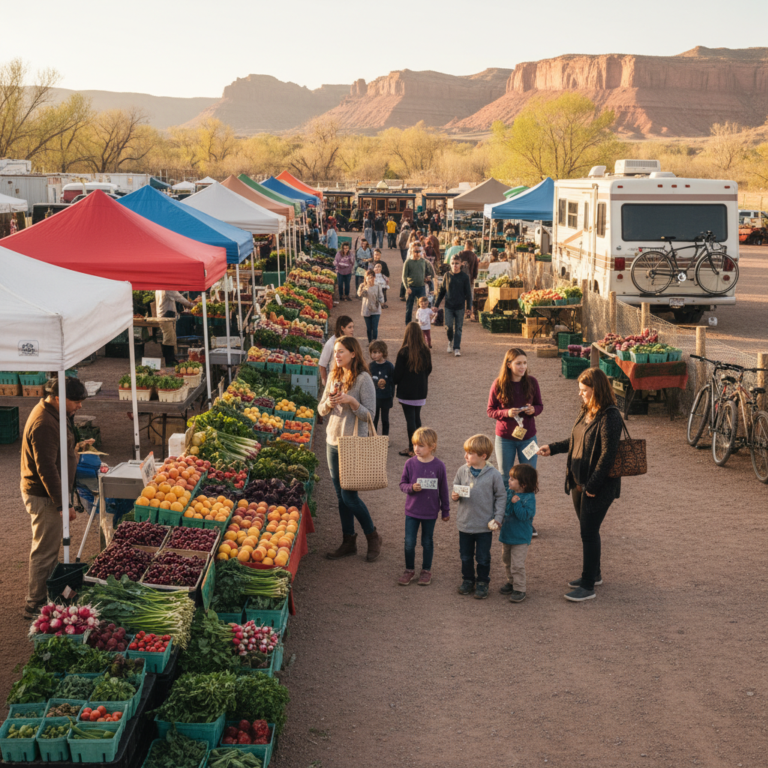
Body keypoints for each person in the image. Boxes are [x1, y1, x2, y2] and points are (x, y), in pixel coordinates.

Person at [538, 368, 623, 602]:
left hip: (595, 486)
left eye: (584, 391)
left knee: (588, 532)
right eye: (580, 390)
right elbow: (576, 439)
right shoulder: (587, 410)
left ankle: (588, 585)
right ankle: (594, 574)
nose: (580, 395)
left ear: (597, 390)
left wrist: (592, 487)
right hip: (578, 481)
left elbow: (608, 456)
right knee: (588, 530)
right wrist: (553, 448)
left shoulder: (610, 416)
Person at [20, 377, 92, 619]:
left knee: (49, 547)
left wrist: (75, 449)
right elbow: (46, 468)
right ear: (59, 398)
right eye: (77, 401)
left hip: (48, 493)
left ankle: (47, 596)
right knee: (45, 549)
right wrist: (63, 504)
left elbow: (55, 453)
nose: (80, 406)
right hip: (43, 496)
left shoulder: (54, 413)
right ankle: (35, 604)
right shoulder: (44, 423)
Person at [318, 335, 383, 562]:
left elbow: (370, 416)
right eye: (335, 352)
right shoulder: (334, 375)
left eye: (341, 352)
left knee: (349, 496)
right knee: (340, 496)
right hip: (332, 441)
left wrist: (352, 402)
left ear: (353, 354)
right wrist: (330, 402)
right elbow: (321, 409)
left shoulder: (363, 379)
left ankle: (372, 536)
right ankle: (348, 541)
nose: (336, 355)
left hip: (353, 441)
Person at [450, 434, 506, 600]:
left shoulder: (494, 474)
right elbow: (456, 490)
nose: (465, 456)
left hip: (484, 525)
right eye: (466, 452)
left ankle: (483, 581)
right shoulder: (462, 470)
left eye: (470, 453)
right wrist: (454, 496)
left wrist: (498, 517)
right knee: (465, 556)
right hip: (465, 523)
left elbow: (501, 496)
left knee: (483, 556)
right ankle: (467, 580)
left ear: (483, 456)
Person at [487, 347, 544, 494]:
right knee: (505, 477)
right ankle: (506, 510)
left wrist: (534, 410)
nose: (523, 367)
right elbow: (490, 410)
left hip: (529, 438)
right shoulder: (498, 384)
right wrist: (507, 413)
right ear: (509, 364)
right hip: (505, 439)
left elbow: (539, 405)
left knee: (528, 476)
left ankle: (526, 511)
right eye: (518, 363)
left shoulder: (532, 382)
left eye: (525, 363)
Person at [398, 427, 450, 586]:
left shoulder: (439, 466)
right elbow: (402, 484)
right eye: (414, 445)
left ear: (432, 446)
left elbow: (444, 489)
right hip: (412, 511)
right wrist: (411, 488)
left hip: (430, 512)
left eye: (421, 445)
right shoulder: (410, 463)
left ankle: (426, 570)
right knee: (409, 542)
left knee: (427, 541)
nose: (416, 448)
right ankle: (409, 570)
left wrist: (445, 510)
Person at [498, 464, 538, 603]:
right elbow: (505, 510)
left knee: (517, 564)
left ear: (524, 484)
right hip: (507, 534)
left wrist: (516, 503)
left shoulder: (529, 498)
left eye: (513, 479)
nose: (509, 481)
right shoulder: (510, 492)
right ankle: (511, 582)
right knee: (506, 561)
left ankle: (520, 588)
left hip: (521, 537)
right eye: (510, 478)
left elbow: (524, 516)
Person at [393, 322, 432, 458]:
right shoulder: (425, 350)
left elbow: (397, 375)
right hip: (421, 391)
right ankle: (421, 445)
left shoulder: (403, 352)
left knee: (410, 420)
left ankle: (412, 448)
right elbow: (429, 369)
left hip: (407, 392)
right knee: (417, 418)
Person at [434, 253, 472, 357]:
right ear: (450, 264)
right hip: (449, 306)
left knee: (459, 328)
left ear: (461, 264)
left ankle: (456, 348)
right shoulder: (447, 275)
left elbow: (468, 293)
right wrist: (436, 305)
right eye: (453, 263)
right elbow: (442, 291)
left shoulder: (464, 277)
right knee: (448, 326)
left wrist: (469, 307)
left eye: (457, 263)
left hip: (460, 306)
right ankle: (450, 340)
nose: (455, 265)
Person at [154, 289, 194, 366]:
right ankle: (169, 360)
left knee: (169, 337)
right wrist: (191, 305)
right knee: (169, 338)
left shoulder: (158, 288)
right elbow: (179, 297)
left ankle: (171, 359)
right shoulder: (167, 289)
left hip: (163, 315)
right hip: (166, 316)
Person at [319, 315, 354, 386]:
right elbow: (322, 365)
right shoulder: (330, 344)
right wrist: (325, 383)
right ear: (342, 328)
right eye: (349, 327)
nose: (352, 329)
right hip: (334, 382)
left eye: (353, 327)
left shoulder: (350, 341)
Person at [369, 340, 395, 436]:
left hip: (386, 397)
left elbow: (392, 382)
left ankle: (385, 438)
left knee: (385, 419)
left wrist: (392, 396)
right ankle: (373, 438)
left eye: (378, 352)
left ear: (383, 353)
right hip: (374, 398)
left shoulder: (389, 366)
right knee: (374, 419)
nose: (375, 355)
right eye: (373, 352)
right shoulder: (371, 366)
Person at [402, 245, 428, 324]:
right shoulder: (408, 262)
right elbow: (404, 276)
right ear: (411, 252)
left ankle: (421, 323)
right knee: (409, 308)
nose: (418, 253)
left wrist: (426, 278)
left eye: (419, 251)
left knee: (422, 307)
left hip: (421, 287)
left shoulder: (423, 261)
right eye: (416, 251)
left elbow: (425, 272)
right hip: (411, 288)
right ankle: (408, 324)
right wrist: (407, 287)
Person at [357, 271, 384, 343]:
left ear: (374, 278)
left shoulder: (378, 286)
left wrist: (381, 302)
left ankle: (374, 342)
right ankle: (370, 342)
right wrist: (364, 288)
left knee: (374, 328)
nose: (370, 279)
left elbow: (381, 296)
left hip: (376, 310)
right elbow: (359, 294)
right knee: (369, 328)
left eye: (371, 277)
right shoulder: (362, 286)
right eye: (368, 278)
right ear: (365, 278)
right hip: (366, 309)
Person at [458, 240, 479, 320]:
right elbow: (476, 269)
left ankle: (461, 313)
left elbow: (455, 264)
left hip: (460, 279)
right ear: (472, 247)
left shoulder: (460, 254)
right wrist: (474, 277)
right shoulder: (474, 256)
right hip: (470, 279)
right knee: (470, 296)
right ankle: (470, 314)